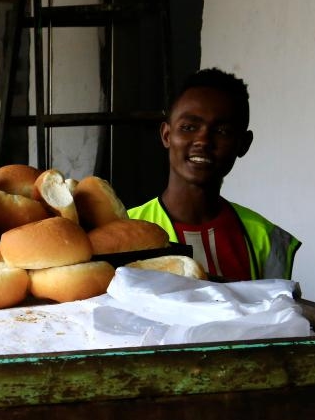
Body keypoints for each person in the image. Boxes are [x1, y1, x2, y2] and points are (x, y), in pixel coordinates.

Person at [128, 68, 301, 280]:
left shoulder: (266, 239)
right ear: (166, 135)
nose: (203, 140)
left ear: (243, 144)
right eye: (189, 127)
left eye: (222, 131)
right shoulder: (127, 229)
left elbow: (278, 312)